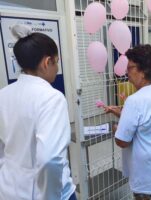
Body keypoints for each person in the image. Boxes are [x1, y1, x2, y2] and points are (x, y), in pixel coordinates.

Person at [0, 25, 76, 199]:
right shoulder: (52, 98)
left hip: (9, 189)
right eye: (56, 61)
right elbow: (50, 159)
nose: (57, 68)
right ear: (47, 62)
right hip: (47, 194)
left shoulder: (3, 95)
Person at [104, 44, 151, 200]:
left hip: (145, 175)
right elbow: (144, 121)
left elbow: (122, 141)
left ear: (143, 72)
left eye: (130, 68)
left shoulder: (135, 101)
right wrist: (119, 113)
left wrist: (116, 128)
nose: (127, 72)